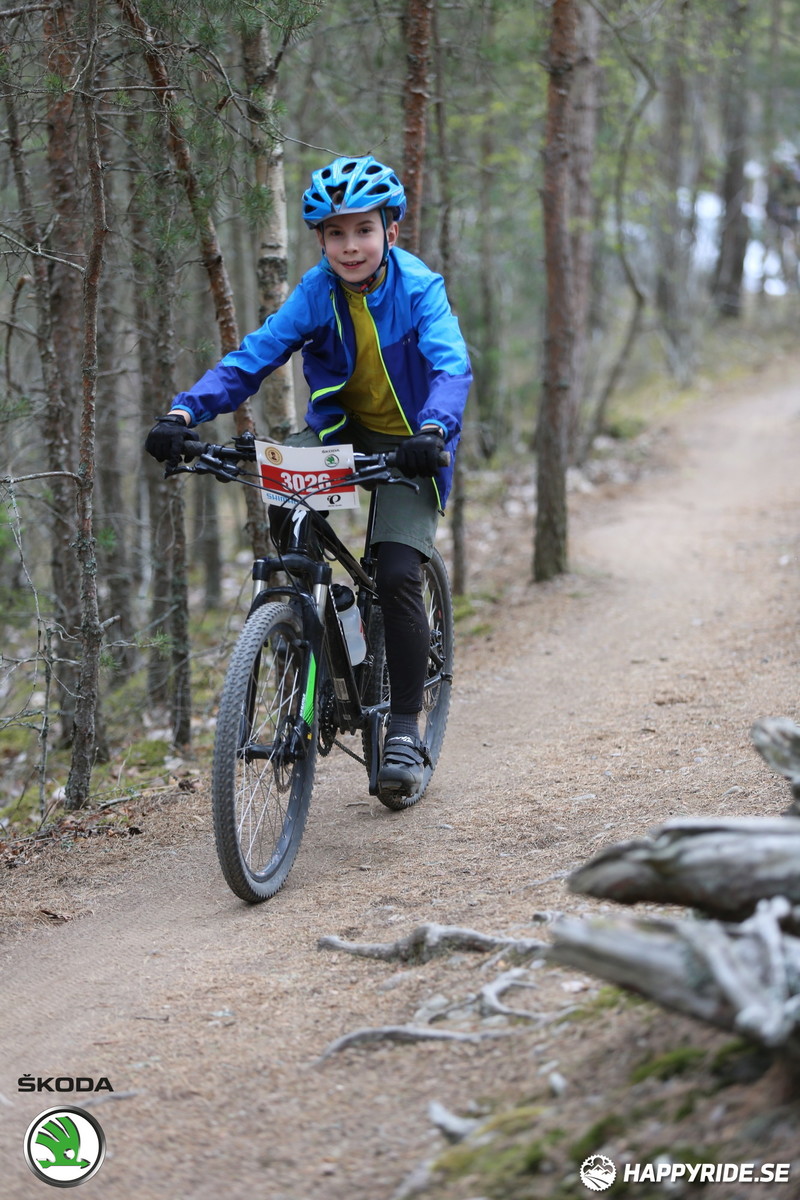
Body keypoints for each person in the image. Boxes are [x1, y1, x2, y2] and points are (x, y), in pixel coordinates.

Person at [145, 154, 471, 797]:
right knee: (281, 501)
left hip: (413, 442)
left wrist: (433, 431)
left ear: (391, 232)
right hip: (336, 435)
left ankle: (403, 725)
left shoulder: (419, 288)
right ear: (320, 241)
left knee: (401, 571)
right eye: (335, 233)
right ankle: (303, 638)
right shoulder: (316, 293)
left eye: (363, 230)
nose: (350, 246)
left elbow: (451, 365)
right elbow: (253, 359)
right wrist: (184, 411)